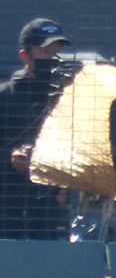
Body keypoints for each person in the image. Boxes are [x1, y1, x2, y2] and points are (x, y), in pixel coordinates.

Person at [0, 17, 70, 238]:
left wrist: (65, 185)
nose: (51, 58)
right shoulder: (6, 96)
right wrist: (13, 157)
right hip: (7, 206)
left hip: (49, 207)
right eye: (44, 53)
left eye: (54, 53)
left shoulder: (67, 97)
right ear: (25, 55)